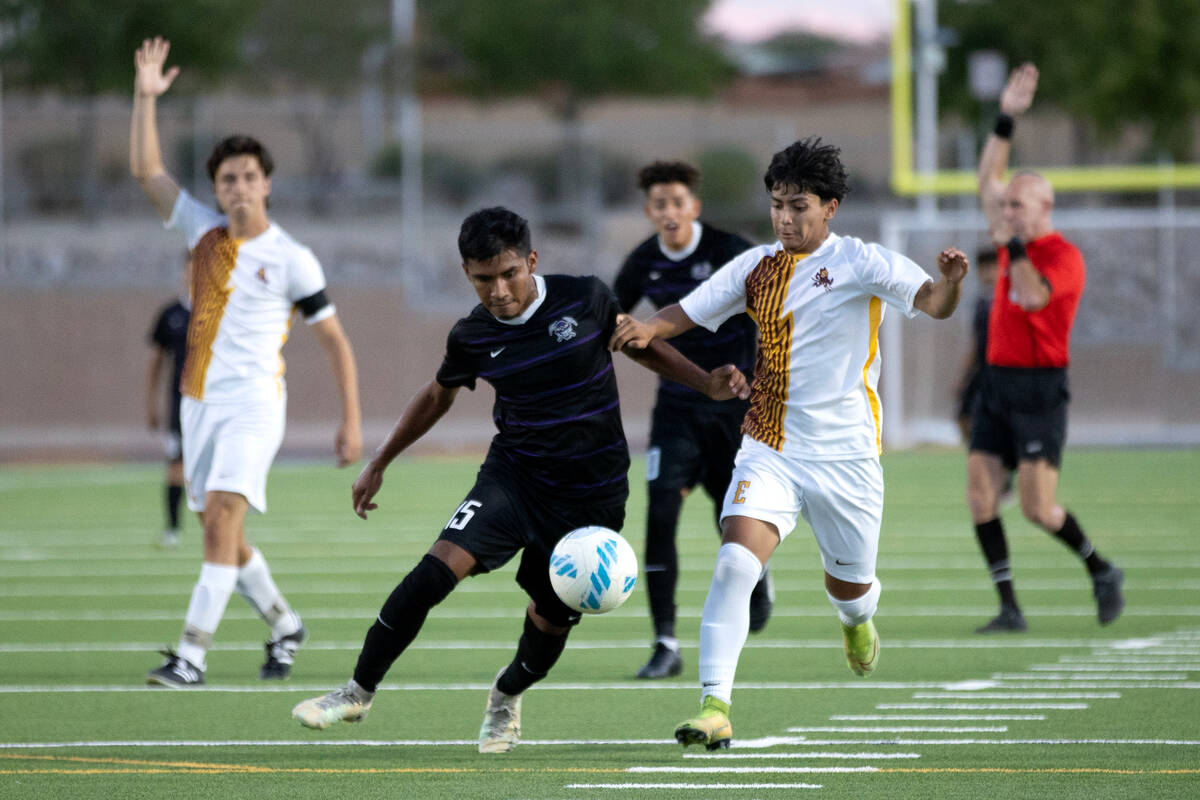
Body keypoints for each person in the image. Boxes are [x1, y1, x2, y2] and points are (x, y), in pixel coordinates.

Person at [291, 207, 748, 753]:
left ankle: (506, 695)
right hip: (514, 479)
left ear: (531, 260)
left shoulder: (586, 298)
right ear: (467, 274)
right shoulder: (472, 335)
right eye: (484, 279)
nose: (499, 290)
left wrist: (704, 383)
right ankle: (357, 691)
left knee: (550, 621)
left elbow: (642, 345)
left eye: (509, 273)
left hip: (593, 497)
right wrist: (380, 461)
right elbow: (438, 396)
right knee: (433, 574)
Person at [609, 137, 969, 750]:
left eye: (798, 205)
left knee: (851, 591)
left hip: (849, 459)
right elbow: (689, 311)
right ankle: (714, 704)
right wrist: (646, 326)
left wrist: (952, 280)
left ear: (830, 206)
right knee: (733, 564)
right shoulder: (756, 267)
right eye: (776, 204)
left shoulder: (863, 261)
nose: (784, 218)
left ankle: (857, 622)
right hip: (769, 446)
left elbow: (934, 304)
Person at [131, 37, 363, 685]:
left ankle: (191, 656)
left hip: (254, 408)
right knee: (223, 535)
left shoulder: (293, 257)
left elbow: (336, 341)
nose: (238, 186)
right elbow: (147, 171)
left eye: (249, 177)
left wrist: (351, 423)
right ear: (216, 187)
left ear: (267, 185)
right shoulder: (200, 232)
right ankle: (285, 624)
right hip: (197, 403)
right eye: (227, 178)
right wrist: (146, 98)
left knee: (217, 531)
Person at [969, 62, 1123, 633]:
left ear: (1044, 210)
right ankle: (1009, 607)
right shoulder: (1010, 234)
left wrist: (1012, 246)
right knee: (980, 496)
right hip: (997, 381)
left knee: (1037, 508)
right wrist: (1006, 115)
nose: (1006, 211)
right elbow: (987, 176)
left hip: (1039, 387)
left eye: (1018, 205)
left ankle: (1101, 568)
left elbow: (1033, 299)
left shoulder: (1062, 257)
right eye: (1006, 205)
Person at [613, 161, 771, 680]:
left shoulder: (730, 251)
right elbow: (616, 319)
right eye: (660, 204)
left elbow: (769, 308)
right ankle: (664, 643)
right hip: (677, 409)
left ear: (694, 208)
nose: (670, 211)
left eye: (678, 202)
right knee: (659, 515)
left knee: (730, 516)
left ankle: (757, 580)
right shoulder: (643, 262)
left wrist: (761, 377)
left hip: (735, 405)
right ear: (649, 212)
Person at [147, 251, 192, 549]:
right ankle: (173, 528)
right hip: (180, 402)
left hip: (216, 403)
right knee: (176, 464)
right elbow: (157, 362)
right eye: (191, 269)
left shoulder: (221, 312)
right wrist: (152, 403)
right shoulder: (171, 315)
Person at [953, 249, 998, 444]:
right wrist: (963, 377)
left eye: (991, 267)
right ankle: (978, 452)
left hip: (1004, 369)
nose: (987, 273)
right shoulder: (981, 303)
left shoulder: (1011, 300)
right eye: (983, 268)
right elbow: (976, 341)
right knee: (963, 414)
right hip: (982, 370)